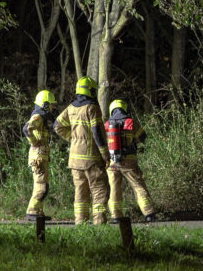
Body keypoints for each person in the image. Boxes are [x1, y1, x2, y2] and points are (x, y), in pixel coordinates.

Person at [54, 77, 110, 225]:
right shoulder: (92, 108)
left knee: (80, 192)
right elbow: (97, 132)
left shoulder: (71, 107)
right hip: (91, 158)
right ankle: (99, 223)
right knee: (98, 190)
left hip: (74, 159)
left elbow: (57, 125)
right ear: (90, 90)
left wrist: (73, 138)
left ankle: (80, 223)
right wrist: (105, 155)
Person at [105, 99, 156, 223]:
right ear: (125, 109)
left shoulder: (106, 124)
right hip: (129, 162)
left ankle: (116, 216)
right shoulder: (131, 122)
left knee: (114, 188)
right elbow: (143, 137)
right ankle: (149, 214)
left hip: (112, 163)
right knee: (138, 186)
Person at [22, 90, 57, 221]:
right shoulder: (38, 116)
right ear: (45, 105)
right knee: (41, 186)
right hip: (38, 156)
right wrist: (34, 142)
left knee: (43, 185)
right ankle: (32, 212)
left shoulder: (42, 117)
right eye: (51, 105)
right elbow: (26, 128)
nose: (52, 107)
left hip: (41, 156)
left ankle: (38, 212)